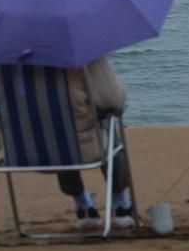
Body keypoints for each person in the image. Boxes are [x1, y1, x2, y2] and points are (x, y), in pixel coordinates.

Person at [55, 57, 137, 231]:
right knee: (109, 120)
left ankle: (83, 205)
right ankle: (119, 205)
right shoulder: (84, 54)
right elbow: (114, 101)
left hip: (33, 152)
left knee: (54, 132)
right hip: (85, 146)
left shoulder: (7, 64)